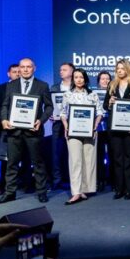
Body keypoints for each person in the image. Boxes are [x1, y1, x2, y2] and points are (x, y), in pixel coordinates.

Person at [0, 58, 53, 204]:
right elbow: (5, 105)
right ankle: (10, 192)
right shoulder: (11, 85)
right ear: (19, 69)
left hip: (33, 131)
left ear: (34, 68)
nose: (26, 69)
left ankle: (41, 192)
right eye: (23, 67)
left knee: (38, 163)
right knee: (12, 164)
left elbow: (49, 107)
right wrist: (4, 119)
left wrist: (41, 120)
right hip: (14, 131)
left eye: (29, 67)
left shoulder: (42, 85)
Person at [61, 68, 104, 205]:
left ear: (85, 79)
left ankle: (84, 189)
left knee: (88, 161)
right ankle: (76, 192)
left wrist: (95, 125)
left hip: (90, 132)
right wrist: (66, 126)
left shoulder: (93, 95)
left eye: (81, 77)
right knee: (75, 161)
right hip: (73, 132)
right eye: (76, 77)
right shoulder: (67, 95)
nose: (79, 80)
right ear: (73, 79)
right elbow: (63, 113)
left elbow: (100, 112)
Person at [105, 60, 130, 201]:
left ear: (128, 69)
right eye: (118, 68)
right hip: (114, 128)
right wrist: (109, 103)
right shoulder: (111, 85)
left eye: (122, 68)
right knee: (117, 159)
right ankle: (119, 189)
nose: (120, 70)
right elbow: (105, 105)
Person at [0, 63, 19, 189]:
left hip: (24, 127)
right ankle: (3, 184)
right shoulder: (1, 88)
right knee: (5, 157)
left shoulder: (26, 87)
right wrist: (7, 118)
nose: (17, 74)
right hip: (6, 127)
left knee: (25, 157)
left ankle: (25, 183)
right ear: (8, 74)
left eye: (19, 72)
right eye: (14, 72)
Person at [49, 62, 74, 191]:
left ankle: (72, 180)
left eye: (64, 69)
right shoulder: (54, 87)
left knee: (73, 153)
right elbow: (50, 105)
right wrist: (50, 113)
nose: (61, 71)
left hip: (74, 123)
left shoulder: (77, 87)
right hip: (58, 124)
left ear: (72, 71)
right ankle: (57, 180)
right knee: (56, 153)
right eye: (60, 70)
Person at [95, 70, 112, 190]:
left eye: (107, 79)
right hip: (98, 127)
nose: (105, 81)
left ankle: (112, 179)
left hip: (111, 127)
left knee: (112, 154)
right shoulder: (93, 94)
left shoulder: (114, 93)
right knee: (99, 155)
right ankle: (100, 180)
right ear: (98, 81)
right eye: (102, 79)